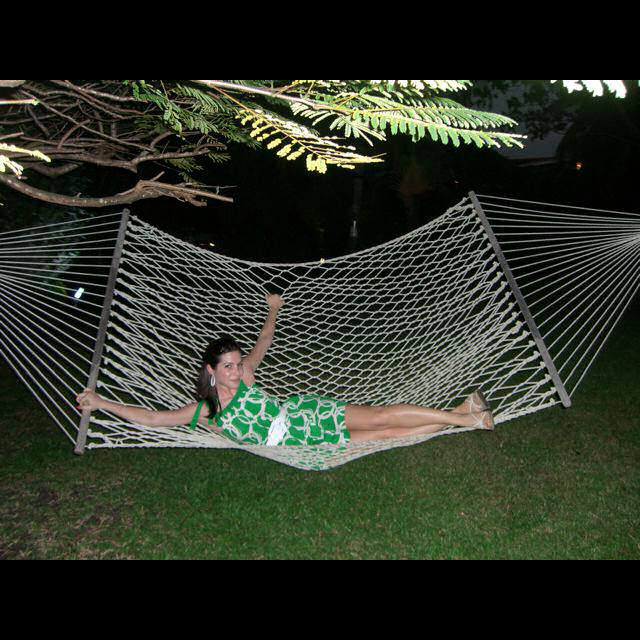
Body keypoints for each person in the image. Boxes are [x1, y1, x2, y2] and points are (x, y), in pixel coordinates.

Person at [76, 294, 494, 446]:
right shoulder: (206, 410)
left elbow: (263, 343)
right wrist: (101, 403)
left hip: (306, 416)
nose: (236, 371)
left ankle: (465, 419)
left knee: (382, 416)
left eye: (237, 364)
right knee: (385, 436)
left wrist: (273, 310)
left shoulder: (247, 377)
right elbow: (154, 419)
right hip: (303, 445)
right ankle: (462, 415)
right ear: (211, 371)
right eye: (227, 366)